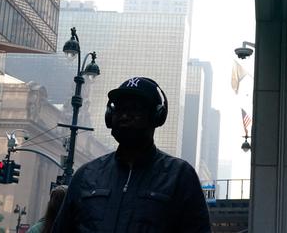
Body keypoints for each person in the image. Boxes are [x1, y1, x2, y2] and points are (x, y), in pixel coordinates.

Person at [52, 77, 211, 233]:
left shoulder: (180, 176)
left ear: (157, 116)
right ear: (110, 116)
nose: (125, 116)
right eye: (120, 109)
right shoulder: (86, 175)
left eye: (135, 109)